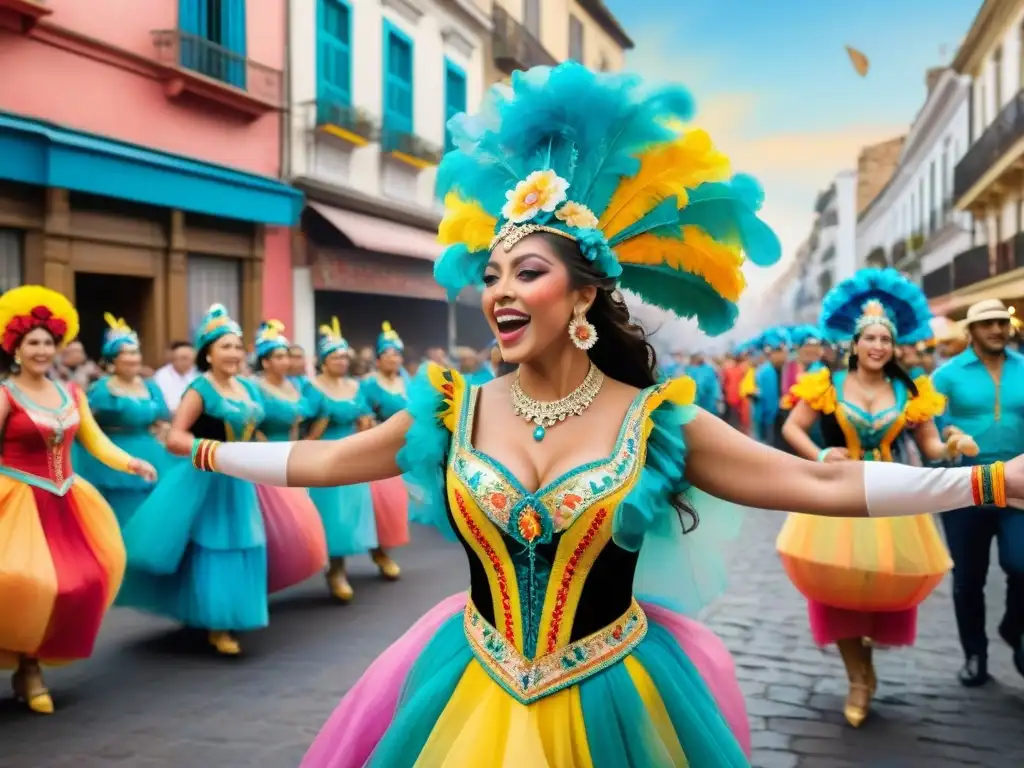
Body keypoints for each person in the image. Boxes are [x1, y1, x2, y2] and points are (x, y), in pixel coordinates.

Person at [170, 63, 1024, 766]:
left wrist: (991, 481)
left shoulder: (656, 423)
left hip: (613, 696)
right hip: (472, 688)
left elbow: (816, 483)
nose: (500, 291)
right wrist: (199, 449)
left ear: (582, 295)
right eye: (492, 275)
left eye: (527, 273)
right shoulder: (450, 410)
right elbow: (323, 462)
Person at [777, 268, 977, 727]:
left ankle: (866, 662)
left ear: (894, 345)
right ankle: (857, 678)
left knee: (876, 584)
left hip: (890, 494)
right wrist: (820, 453)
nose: (878, 346)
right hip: (840, 494)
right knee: (837, 586)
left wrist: (952, 444)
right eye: (870, 338)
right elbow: (792, 427)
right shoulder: (826, 383)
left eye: (885, 339)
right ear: (855, 343)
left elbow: (930, 447)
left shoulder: (910, 390)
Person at [120, 304, 326, 656]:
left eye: (236, 346)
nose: (233, 353)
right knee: (215, 543)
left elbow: (258, 429)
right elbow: (175, 437)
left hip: (246, 476)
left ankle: (229, 611)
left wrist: (275, 455)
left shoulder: (247, 388)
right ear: (208, 354)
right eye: (224, 346)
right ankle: (218, 622)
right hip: (208, 477)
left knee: (249, 539)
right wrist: (215, 451)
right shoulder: (200, 388)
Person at [0, 286, 157, 713]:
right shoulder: (6, 394)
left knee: (81, 580)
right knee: (30, 583)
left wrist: (132, 463)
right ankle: (29, 669)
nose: (41, 350)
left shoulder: (71, 392)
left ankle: (31, 661)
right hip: (17, 501)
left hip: (66, 500)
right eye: (33, 342)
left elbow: (96, 441)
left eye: (48, 342)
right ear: (16, 349)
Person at [932, 298, 1024, 685]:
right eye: (987, 324)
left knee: (1021, 564)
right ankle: (975, 654)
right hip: (964, 486)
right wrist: (949, 434)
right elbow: (932, 425)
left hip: (1018, 486)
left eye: (1002, 323)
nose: (997, 330)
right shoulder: (946, 375)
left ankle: (1013, 628)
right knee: (968, 578)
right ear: (971, 330)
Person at [75, 313, 176, 531]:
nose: (133, 358)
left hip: (152, 453)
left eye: (135, 352)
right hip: (115, 458)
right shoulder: (101, 390)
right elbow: (85, 425)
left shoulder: (151, 386)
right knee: (123, 519)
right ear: (113, 359)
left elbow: (163, 418)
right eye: (126, 353)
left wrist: (165, 433)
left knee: (152, 519)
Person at [305, 318, 377, 601]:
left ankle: (341, 568)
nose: (342, 362)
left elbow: (365, 416)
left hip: (351, 453)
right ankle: (328, 566)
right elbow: (303, 422)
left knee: (348, 513)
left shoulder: (355, 387)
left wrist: (367, 425)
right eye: (336, 357)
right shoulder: (312, 387)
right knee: (327, 512)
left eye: (345, 357)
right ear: (323, 361)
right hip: (323, 453)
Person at [359, 321, 412, 580]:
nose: (394, 358)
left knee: (396, 506)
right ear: (378, 359)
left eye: (397, 354)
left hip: (405, 450)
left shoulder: (408, 382)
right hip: (377, 448)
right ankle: (378, 552)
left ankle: (384, 550)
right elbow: (363, 417)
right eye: (388, 354)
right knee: (380, 502)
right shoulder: (368, 385)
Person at [751, 327, 789, 446]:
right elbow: (761, 402)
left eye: (782, 350)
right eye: (777, 351)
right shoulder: (763, 373)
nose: (781, 354)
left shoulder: (791, 369)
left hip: (788, 418)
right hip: (770, 420)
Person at [152, 340, 197, 411]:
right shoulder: (162, 375)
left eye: (186, 358)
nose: (180, 361)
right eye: (181, 358)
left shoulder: (199, 373)